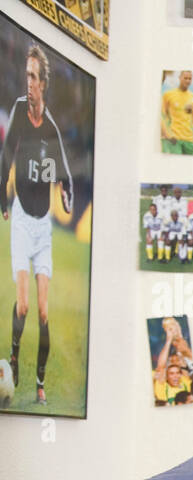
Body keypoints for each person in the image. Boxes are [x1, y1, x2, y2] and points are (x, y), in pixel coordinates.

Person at [2, 42, 74, 407]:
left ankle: (40, 384)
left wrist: (66, 196)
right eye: (26, 75)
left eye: (34, 77)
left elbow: (66, 176)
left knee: (44, 311)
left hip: (43, 228)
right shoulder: (17, 112)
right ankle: (13, 358)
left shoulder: (50, 128)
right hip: (20, 223)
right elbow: (5, 157)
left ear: (43, 83)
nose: (28, 82)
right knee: (24, 306)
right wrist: (3, 199)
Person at [160, 70, 193, 155]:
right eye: (185, 78)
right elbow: (163, 116)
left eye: (190, 79)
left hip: (189, 140)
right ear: (180, 78)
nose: (187, 81)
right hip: (175, 139)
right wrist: (168, 135)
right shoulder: (168, 94)